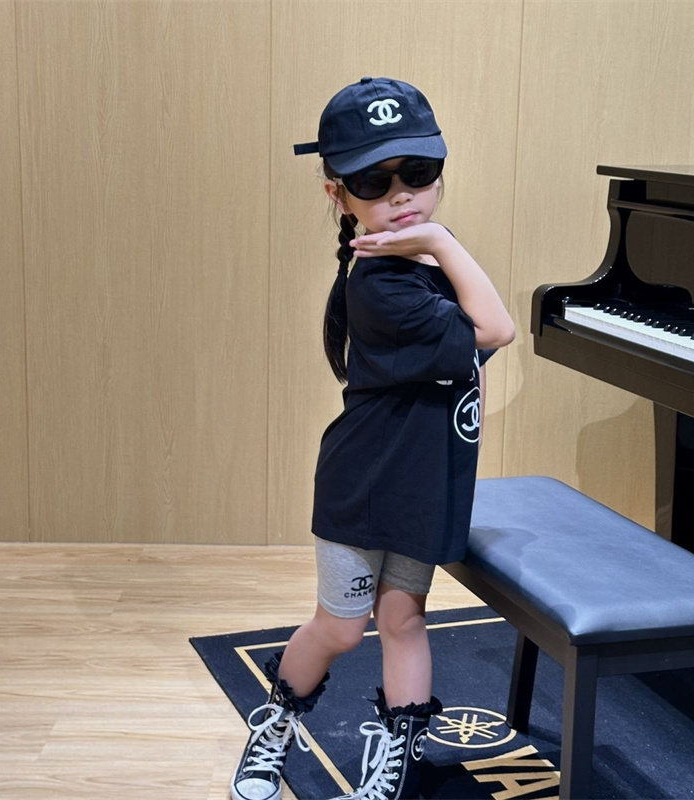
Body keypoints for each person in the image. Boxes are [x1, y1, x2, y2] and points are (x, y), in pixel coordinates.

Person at [230, 76, 515, 800]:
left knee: (403, 618)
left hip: (426, 482)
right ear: (338, 194)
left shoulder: (426, 256)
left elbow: (477, 350)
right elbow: (497, 330)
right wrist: (442, 240)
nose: (401, 195)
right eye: (373, 181)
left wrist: (438, 245)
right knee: (341, 628)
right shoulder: (383, 284)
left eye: (418, 172)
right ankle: (274, 726)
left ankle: (392, 760)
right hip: (363, 485)